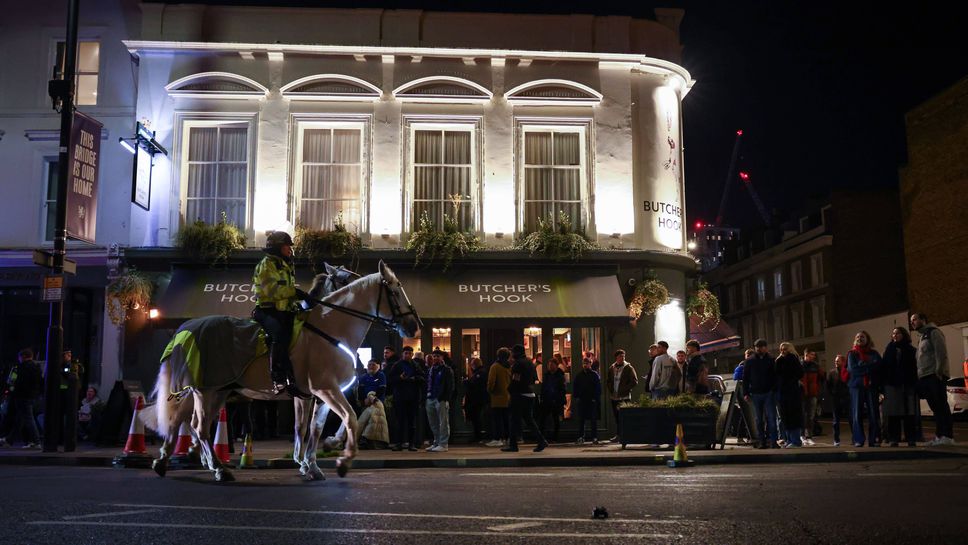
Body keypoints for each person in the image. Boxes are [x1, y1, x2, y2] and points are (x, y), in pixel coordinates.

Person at [251, 230, 311, 399]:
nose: (290, 250)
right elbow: (271, 290)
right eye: (287, 247)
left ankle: (294, 381)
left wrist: (304, 303)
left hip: (284, 311)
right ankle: (277, 378)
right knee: (279, 336)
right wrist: (296, 292)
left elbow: (288, 296)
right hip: (266, 311)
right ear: (278, 248)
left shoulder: (286, 264)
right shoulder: (266, 264)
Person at [910, 313, 955, 445]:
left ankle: (947, 436)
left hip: (934, 375)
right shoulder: (922, 336)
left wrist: (939, 371)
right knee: (935, 408)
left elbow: (941, 352)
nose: (912, 322)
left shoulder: (933, 333)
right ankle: (939, 436)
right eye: (911, 320)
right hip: (925, 377)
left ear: (923, 320)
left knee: (941, 405)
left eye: (915, 319)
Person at [503, 344, 548, 453]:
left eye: (512, 352)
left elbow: (515, 380)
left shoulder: (517, 364)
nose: (511, 354)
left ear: (516, 353)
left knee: (514, 420)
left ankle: (513, 445)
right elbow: (533, 379)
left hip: (519, 395)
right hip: (530, 393)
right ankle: (541, 440)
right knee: (529, 420)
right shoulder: (530, 363)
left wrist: (509, 390)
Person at [882, 327, 918, 447]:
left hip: (907, 384)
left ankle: (911, 437)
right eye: (893, 333)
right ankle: (894, 438)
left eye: (897, 333)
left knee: (909, 413)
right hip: (892, 385)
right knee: (893, 414)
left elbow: (914, 368)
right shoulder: (889, 349)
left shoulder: (910, 350)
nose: (895, 335)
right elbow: (885, 367)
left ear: (903, 334)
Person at [0, 349, 43, 449]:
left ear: (23, 356)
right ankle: (9, 440)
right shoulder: (37, 367)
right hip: (33, 396)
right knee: (20, 419)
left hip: (23, 396)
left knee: (28, 419)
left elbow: (16, 382)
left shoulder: (22, 367)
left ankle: (37, 442)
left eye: (19, 357)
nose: (19, 359)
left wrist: (12, 390)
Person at [847, 330, 882, 447]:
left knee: (874, 413)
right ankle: (858, 439)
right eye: (857, 337)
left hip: (871, 387)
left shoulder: (874, 353)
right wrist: (869, 367)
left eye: (862, 337)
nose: (859, 338)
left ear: (867, 339)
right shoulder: (852, 354)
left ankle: (874, 439)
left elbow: (879, 367)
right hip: (856, 387)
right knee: (857, 414)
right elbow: (853, 370)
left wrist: (863, 366)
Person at [386, 346, 424, 451]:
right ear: (402, 354)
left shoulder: (416, 365)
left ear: (412, 354)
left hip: (413, 398)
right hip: (400, 397)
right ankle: (399, 443)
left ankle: (411, 444)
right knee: (400, 421)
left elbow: (422, 378)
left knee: (412, 422)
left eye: (409, 353)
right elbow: (390, 379)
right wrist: (400, 378)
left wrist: (414, 378)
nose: (407, 355)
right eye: (405, 353)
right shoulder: (397, 365)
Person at [743, 339, 778, 449]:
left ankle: (772, 441)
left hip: (767, 392)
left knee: (771, 418)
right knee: (759, 419)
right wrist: (746, 392)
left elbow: (775, 376)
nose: (759, 349)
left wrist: (774, 389)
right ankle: (762, 441)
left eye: (761, 346)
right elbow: (746, 378)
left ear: (766, 348)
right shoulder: (749, 361)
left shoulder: (771, 360)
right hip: (756, 393)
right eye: (757, 347)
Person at [775, 342, 804, 448]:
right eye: (781, 349)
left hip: (790, 392)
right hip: (786, 391)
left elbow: (799, 374)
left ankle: (794, 440)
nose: (783, 351)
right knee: (786, 416)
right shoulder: (780, 360)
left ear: (790, 349)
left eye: (785, 349)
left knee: (791, 416)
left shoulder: (791, 359)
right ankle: (791, 440)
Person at [424, 351, 454, 452]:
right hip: (430, 397)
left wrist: (445, 398)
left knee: (443, 422)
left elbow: (450, 385)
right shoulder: (431, 370)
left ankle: (443, 443)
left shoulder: (446, 370)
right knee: (433, 422)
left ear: (442, 357)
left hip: (440, 398)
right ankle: (436, 441)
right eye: (434, 356)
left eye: (438, 356)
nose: (435, 358)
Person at [606, 349, 638, 443]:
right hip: (614, 396)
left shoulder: (628, 367)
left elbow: (634, 381)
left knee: (624, 417)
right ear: (616, 357)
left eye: (623, 356)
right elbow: (608, 380)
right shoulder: (612, 367)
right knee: (617, 417)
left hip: (624, 397)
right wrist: (610, 389)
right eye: (620, 356)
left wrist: (626, 389)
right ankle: (619, 435)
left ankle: (626, 436)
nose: (622, 358)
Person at [485, 347, 512, 448]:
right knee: (506, 419)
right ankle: (507, 438)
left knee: (497, 419)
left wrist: (489, 391)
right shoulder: (509, 367)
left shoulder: (495, 366)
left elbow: (491, 382)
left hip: (497, 397)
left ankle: (497, 439)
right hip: (508, 397)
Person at [573, 357, 602, 445]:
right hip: (582, 400)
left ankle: (594, 437)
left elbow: (598, 388)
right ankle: (581, 437)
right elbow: (575, 387)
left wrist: (595, 398)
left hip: (591, 400)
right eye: (584, 363)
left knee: (593, 420)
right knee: (581, 420)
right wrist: (577, 397)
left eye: (587, 363)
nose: (585, 365)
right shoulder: (579, 375)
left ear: (590, 364)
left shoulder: (594, 375)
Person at [537, 357, 566, 442]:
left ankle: (555, 437)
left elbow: (562, 389)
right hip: (547, 400)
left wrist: (559, 399)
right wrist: (542, 398)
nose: (550, 367)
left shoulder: (560, 375)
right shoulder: (546, 375)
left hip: (556, 401)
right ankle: (542, 436)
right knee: (543, 419)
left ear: (556, 366)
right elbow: (544, 387)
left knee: (556, 419)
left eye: (552, 365)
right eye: (549, 365)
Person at [462, 357, 488, 444]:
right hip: (478, 399)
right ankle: (477, 435)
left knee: (476, 418)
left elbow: (476, 385)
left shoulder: (479, 373)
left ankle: (478, 436)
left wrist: (467, 383)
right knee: (476, 418)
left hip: (476, 399)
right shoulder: (481, 372)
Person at [826, 355, 850, 446]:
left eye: (838, 361)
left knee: (850, 418)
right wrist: (832, 394)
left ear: (843, 362)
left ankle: (854, 438)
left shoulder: (847, 371)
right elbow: (828, 385)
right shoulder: (832, 373)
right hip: (836, 398)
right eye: (835, 361)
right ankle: (836, 440)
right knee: (836, 420)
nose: (836, 362)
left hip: (846, 397)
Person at [800, 349, 823, 446]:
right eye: (811, 354)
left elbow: (821, 378)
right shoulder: (801, 365)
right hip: (802, 394)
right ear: (806, 354)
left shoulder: (815, 366)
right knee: (803, 415)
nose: (813, 356)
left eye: (814, 355)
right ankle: (802, 436)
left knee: (811, 416)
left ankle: (808, 436)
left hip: (812, 394)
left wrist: (817, 390)